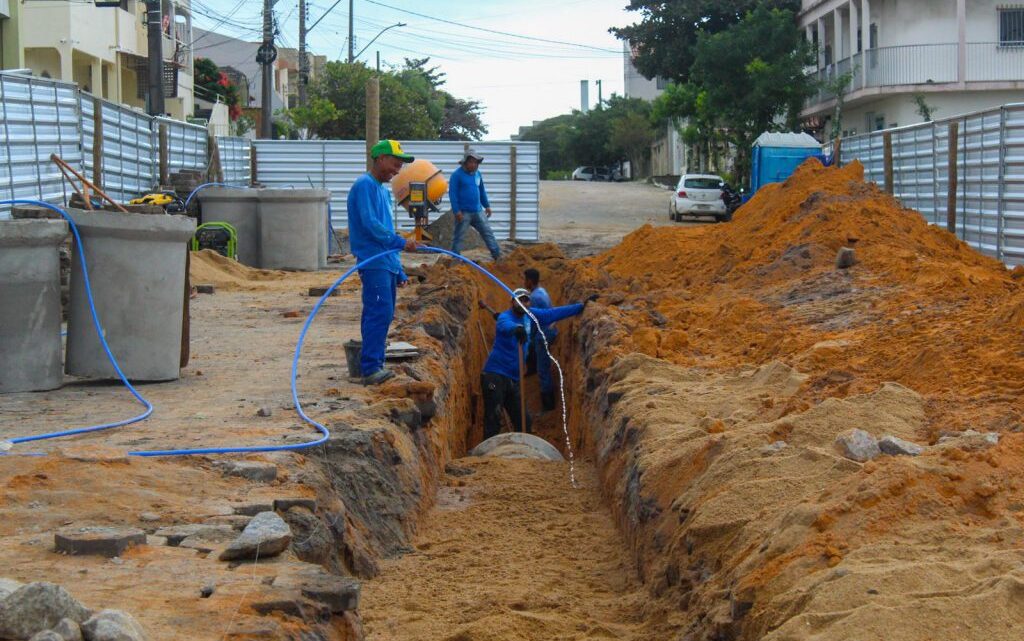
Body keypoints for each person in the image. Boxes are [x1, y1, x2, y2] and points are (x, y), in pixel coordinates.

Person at [347, 139, 419, 385]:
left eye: (400, 165)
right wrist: (400, 242)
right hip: (373, 261)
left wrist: (398, 269)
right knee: (379, 313)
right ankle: (370, 369)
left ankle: (373, 363)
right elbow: (371, 225)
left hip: (385, 263)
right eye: (395, 163)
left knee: (383, 313)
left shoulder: (381, 190)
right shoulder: (364, 185)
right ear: (379, 159)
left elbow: (384, 227)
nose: (397, 170)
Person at [480, 288, 597, 440]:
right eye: (519, 300)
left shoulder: (531, 315)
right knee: (493, 416)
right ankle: (486, 457)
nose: (523, 303)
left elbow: (553, 313)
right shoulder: (505, 317)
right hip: (494, 376)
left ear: (529, 302)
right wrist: (516, 329)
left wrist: (580, 306)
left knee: (523, 422)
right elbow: (505, 325)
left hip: (513, 380)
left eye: (526, 300)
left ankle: (522, 453)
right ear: (512, 302)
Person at [449, 147, 501, 260]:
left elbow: (481, 190)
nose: (473, 165)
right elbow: (452, 194)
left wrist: (487, 205)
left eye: (476, 162)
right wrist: (456, 210)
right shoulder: (456, 175)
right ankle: (455, 259)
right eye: (471, 162)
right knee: (459, 237)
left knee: (488, 233)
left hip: (478, 211)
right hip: (463, 213)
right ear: (465, 162)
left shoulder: (478, 174)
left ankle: (497, 256)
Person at [523, 268, 558, 412]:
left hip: (544, 334)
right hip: (549, 330)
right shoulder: (540, 291)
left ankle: (548, 405)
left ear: (530, 281)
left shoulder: (535, 298)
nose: (524, 282)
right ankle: (531, 369)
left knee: (543, 368)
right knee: (532, 347)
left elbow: (532, 323)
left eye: (525, 280)